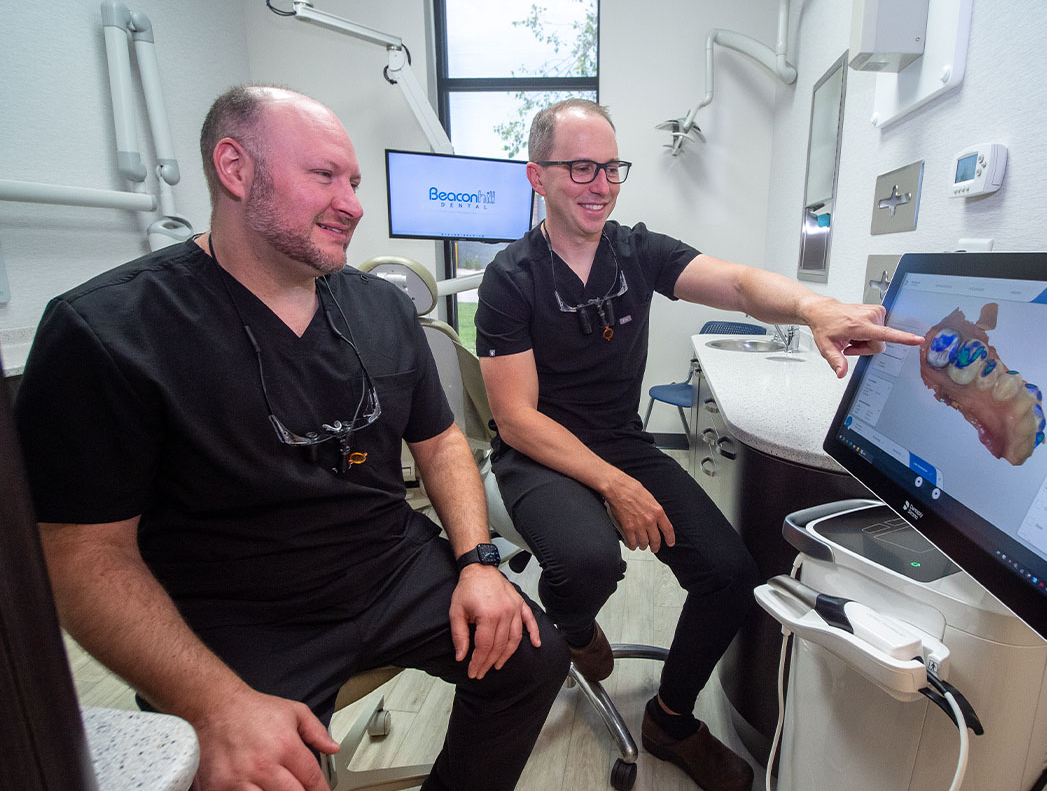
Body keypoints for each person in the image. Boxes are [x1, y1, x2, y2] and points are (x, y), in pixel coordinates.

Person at [14, 85, 569, 791]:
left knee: (534, 658)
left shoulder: (381, 309)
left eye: (354, 182)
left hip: (389, 567)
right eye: (324, 176)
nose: (353, 203)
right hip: (231, 610)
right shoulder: (109, 331)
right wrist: (214, 705)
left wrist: (479, 562)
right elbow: (80, 556)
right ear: (235, 168)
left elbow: (440, 443)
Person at [475, 99, 924, 791]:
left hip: (620, 440)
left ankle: (671, 719)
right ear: (537, 176)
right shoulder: (511, 278)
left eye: (612, 168)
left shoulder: (636, 252)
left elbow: (739, 285)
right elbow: (515, 419)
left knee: (730, 574)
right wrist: (615, 486)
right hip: (538, 452)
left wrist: (812, 307)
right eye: (582, 168)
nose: (601, 184)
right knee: (589, 561)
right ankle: (573, 626)